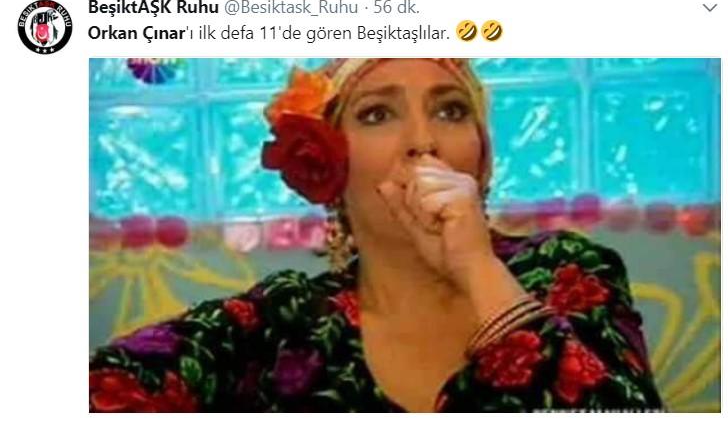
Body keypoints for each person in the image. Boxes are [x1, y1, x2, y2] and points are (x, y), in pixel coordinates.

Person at [89, 58, 664, 412]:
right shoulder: (285, 322)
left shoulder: (569, 271)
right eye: (377, 114)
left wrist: (477, 270)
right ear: (326, 169)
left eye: (450, 111)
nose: (423, 142)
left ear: (482, 159)